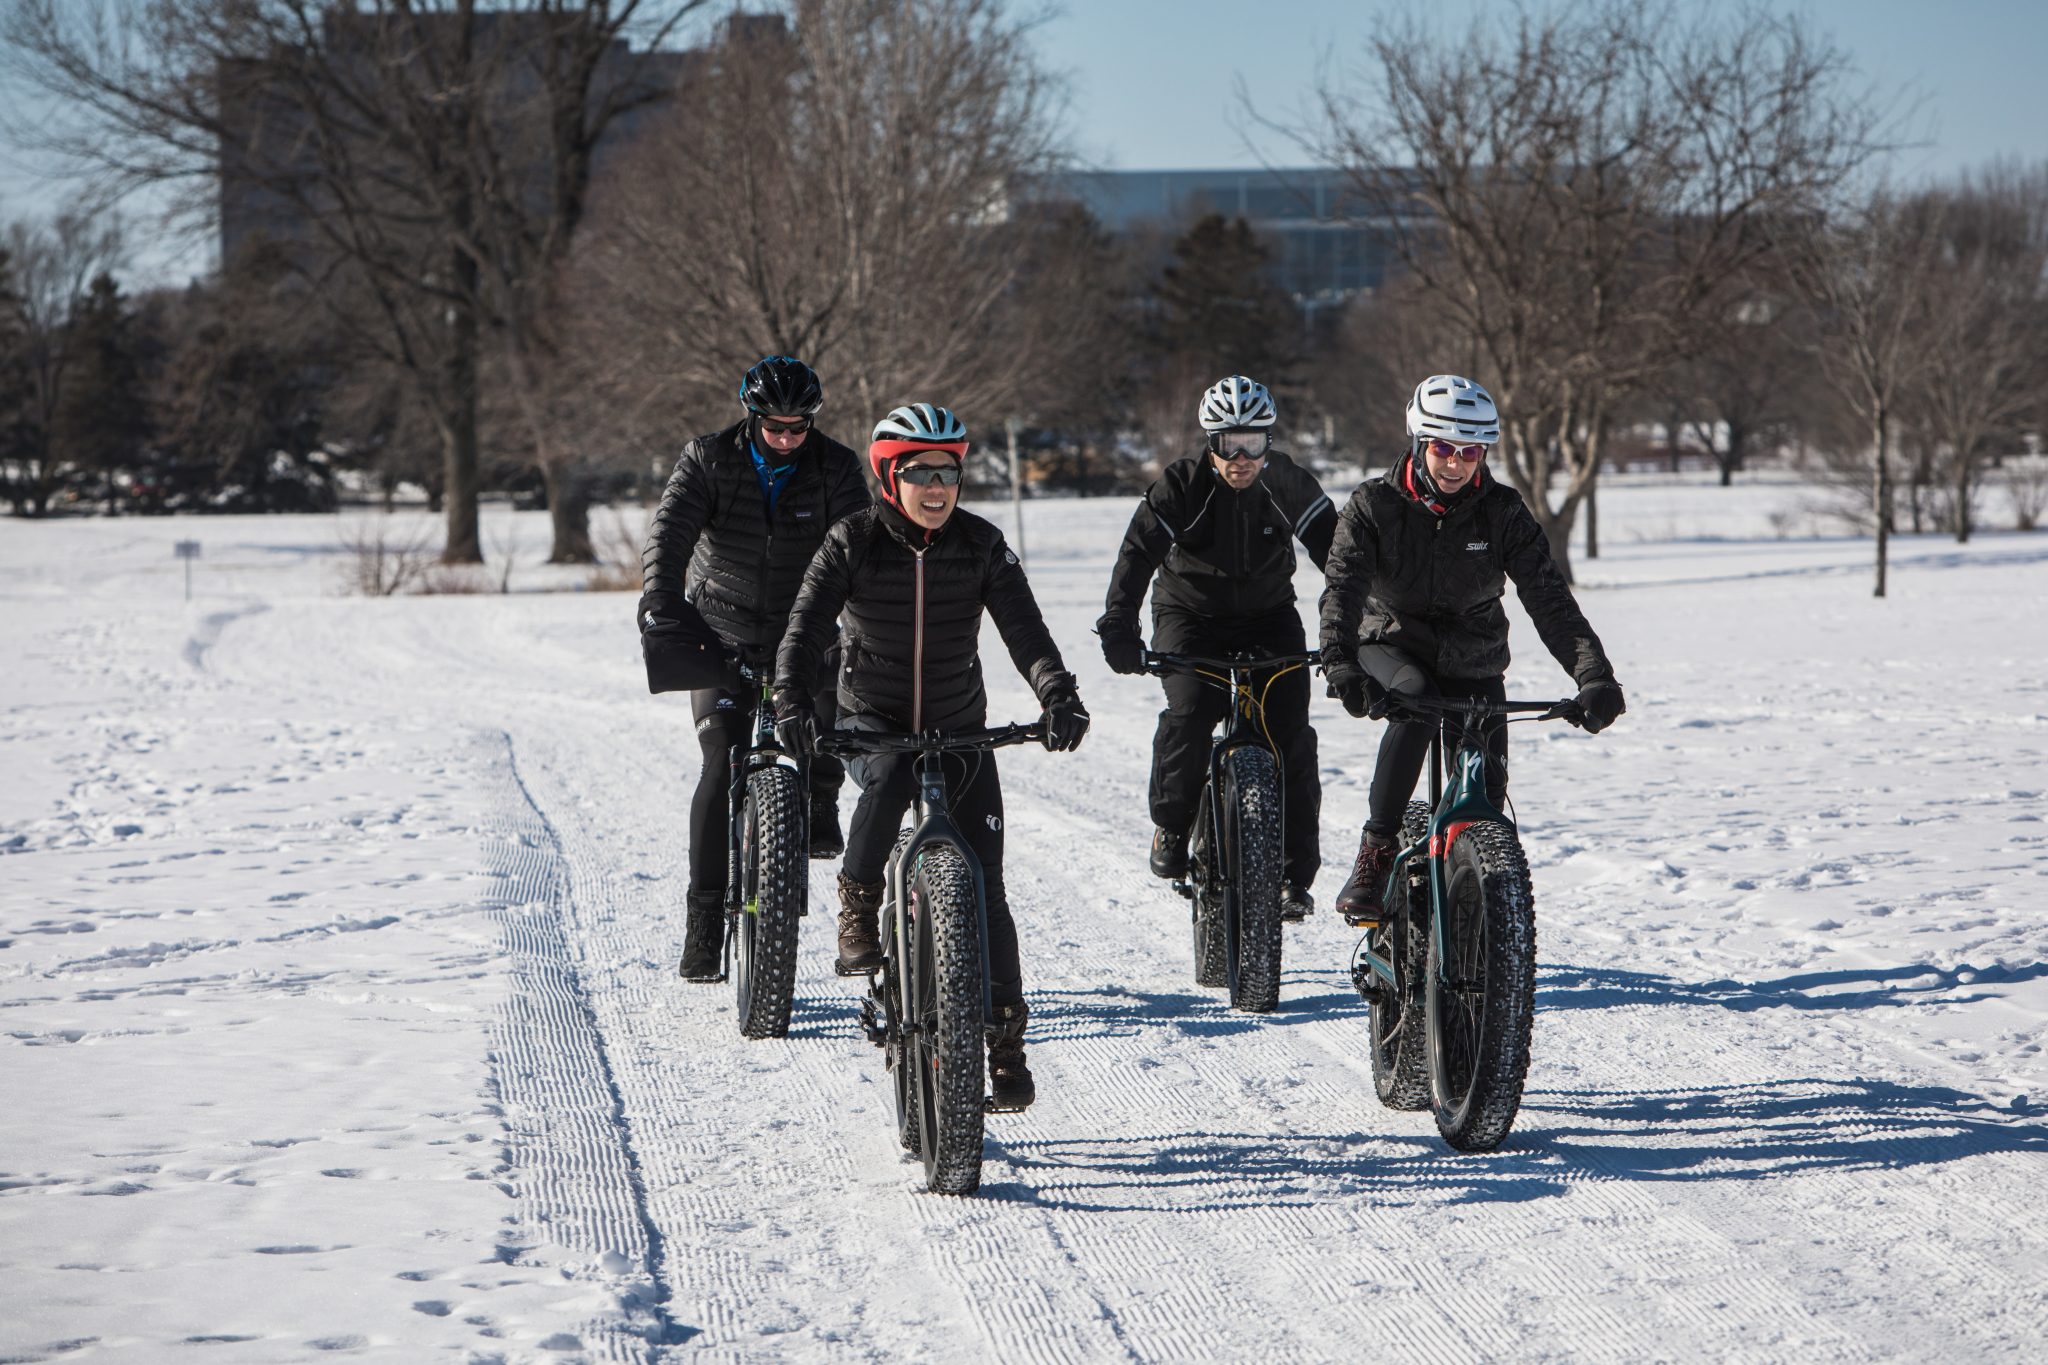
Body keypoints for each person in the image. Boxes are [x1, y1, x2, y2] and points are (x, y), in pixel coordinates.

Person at [773, 403, 1090, 1110]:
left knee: (987, 886)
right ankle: (858, 903)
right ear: (889, 475)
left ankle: (1005, 1042)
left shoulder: (980, 544)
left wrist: (1056, 693)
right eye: (919, 471)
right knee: (886, 778)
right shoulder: (851, 541)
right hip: (872, 722)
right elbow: (804, 626)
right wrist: (791, 698)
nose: (938, 485)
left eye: (948, 470)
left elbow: (1025, 630)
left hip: (959, 727)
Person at [1318, 374, 1626, 924]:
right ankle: (1378, 849)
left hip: (1473, 656)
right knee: (1414, 699)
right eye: (1443, 449)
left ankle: (1479, 920)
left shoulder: (1502, 511)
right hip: (1390, 645)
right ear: (1418, 442)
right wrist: (1340, 662)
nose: (1456, 464)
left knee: (1487, 797)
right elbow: (1342, 589)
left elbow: (1549, 600)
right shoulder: (1373, 505)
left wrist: (1594, 676)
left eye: (1471, 451)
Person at [638, 356, 869, 981]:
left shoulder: (836, 468)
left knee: (826, 724)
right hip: (723, 634)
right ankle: (705, 922)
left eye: (800, 427)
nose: (789, 438)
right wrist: (660, 599)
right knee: (720, 764)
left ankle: (821, 797)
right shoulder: (708, 459)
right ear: (752, 415)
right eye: (776, 427)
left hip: (805, 633)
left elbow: (861, 546)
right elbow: (670, 535)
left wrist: (864, 621)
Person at [1097, 374, 1337, 920]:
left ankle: (1295, 878)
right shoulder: (1180, 486)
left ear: (1268, 441)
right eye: (1229, 444)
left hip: (1268, 616)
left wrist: (1361, 622)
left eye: (1254, 442)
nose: (1242, 458)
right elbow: (1136, 557)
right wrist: (1118, 627)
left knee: (1290, 734)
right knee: (1192, 710)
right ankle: (1173, 824)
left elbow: (1341, 558)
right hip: (1190, 615)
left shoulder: (1290, 484)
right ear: (1211, 442)